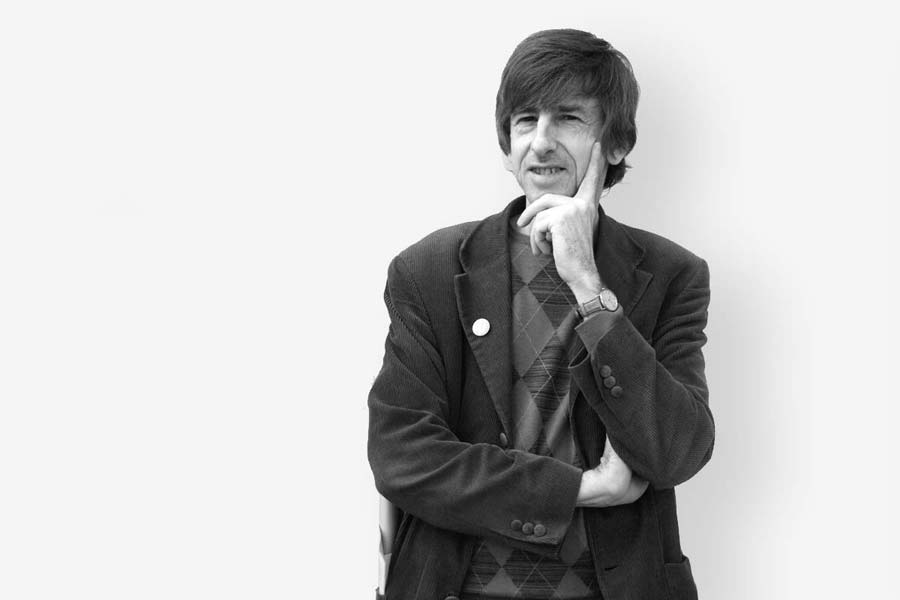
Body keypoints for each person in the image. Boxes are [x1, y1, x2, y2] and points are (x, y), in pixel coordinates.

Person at [368, 28, 713, 600]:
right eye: (526, 120)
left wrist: (589, 287)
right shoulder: (428, 270)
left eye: (568, 118)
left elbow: (677, 452)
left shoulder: (671, 275)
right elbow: (402, 457)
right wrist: (582, 488)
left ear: (616, 143)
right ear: (507, 145)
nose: (542, 142)